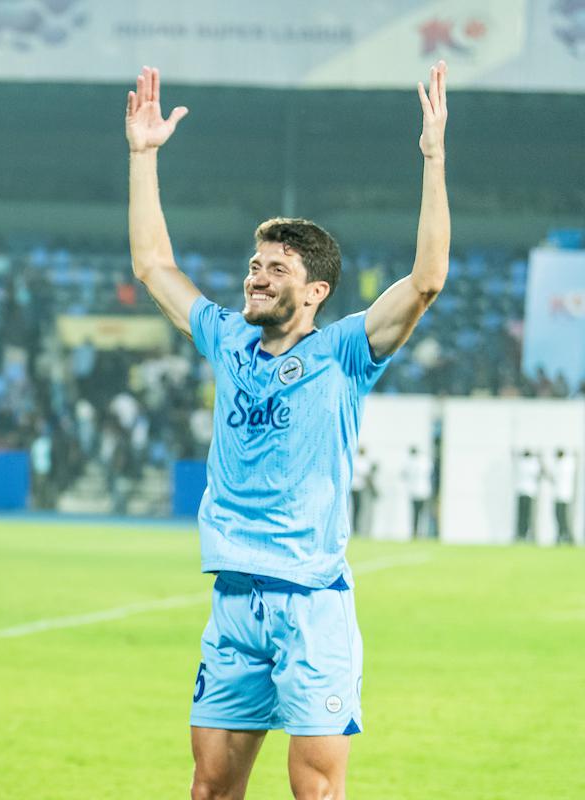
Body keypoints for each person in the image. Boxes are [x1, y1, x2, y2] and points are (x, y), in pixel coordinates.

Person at [126, 61, 450, 799]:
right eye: (253, 264)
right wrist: (144, 157)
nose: (255, 276)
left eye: (274, 268)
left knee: (317, 792)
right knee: (209, 790)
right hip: (234, 602)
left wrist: (433, 162)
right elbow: (154, 263)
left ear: (316, 291)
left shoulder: (343, 352)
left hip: (311, 605)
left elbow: (426, 280)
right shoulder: (226, 340)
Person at [402, 445, 434, 540]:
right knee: (421, 514)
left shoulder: (411, 461)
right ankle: (420, 533)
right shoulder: (425, 461)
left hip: (416, 491)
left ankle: (416, 532)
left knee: (416, 514)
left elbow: (404, 474)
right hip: (423, 491)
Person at [514, 449, 545, 543]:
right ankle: (526, 535)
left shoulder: (521, 463)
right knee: (528, 517)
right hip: (529, 493)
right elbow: (540, 474)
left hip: (524, 493)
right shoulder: (533, 463)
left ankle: (522, 535)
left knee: (523, 517)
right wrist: (539, 458)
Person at [350, 445, 377, 537]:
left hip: (354, 487)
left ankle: (356, 528)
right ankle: (356, 529)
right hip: (359, 488)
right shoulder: (362, 462)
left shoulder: (355, 459)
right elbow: (367, 476)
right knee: (358, 509)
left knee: (356, 509)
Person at [551, 449, 577, 545]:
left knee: (562, 518)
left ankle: (565, 536)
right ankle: (563, 536)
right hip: (563, 496)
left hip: (562, 496)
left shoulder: (562, 465)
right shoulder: (568, 464)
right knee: (561, 518)